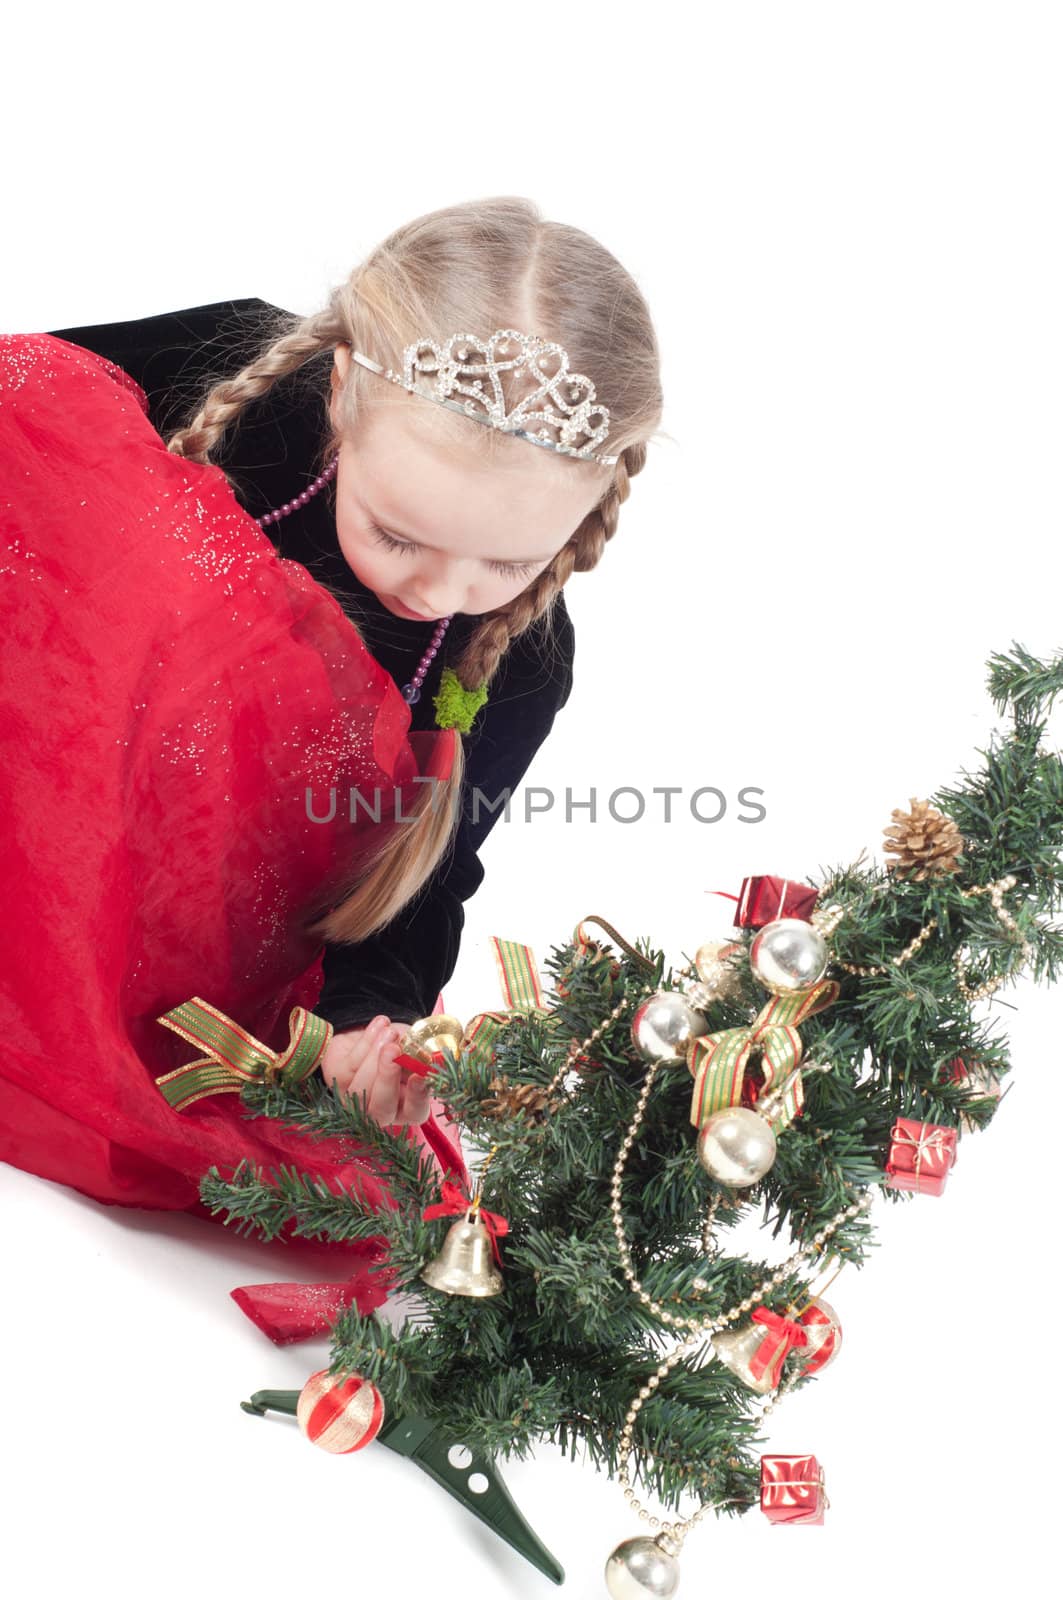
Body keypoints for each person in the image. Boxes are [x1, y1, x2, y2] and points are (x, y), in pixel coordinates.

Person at [1, 196, 664, 1323]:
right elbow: (33, 426)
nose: (440, 591)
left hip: (170, 963)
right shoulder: (244, 388)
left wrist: (372, 1024)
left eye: (505, 558)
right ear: (346, 397)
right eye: (400, 534)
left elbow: (420, 885)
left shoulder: (521, 660)